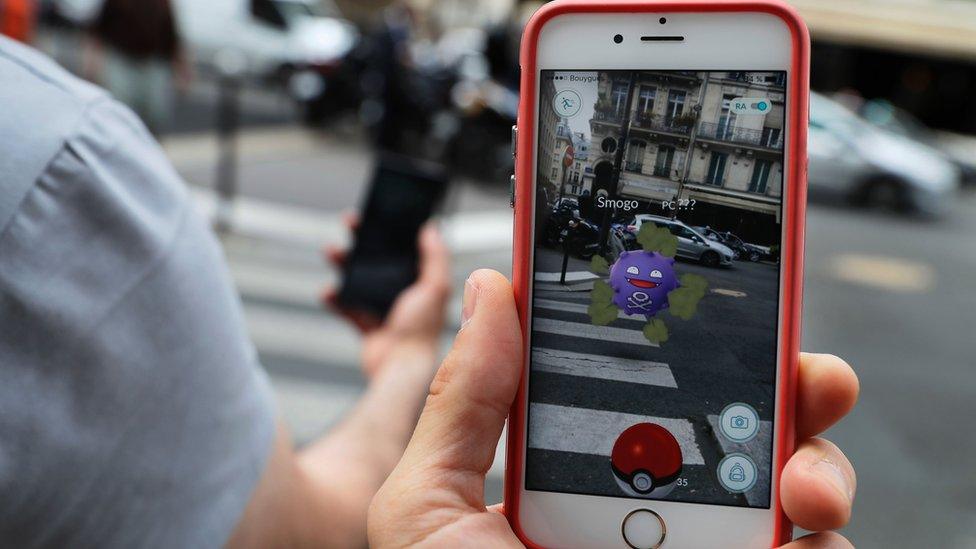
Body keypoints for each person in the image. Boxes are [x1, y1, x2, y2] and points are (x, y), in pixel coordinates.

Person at [0, 37, 859, 548]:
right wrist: (410, 363)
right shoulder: (55, 164)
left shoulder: (47, 159)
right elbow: (284, 530)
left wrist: (410, 360)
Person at [84, 0, 190, 134]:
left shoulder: (163, 3)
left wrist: (183, 69)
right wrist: (91, 64)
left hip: (153, 62)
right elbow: (98, 30)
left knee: (155, 115)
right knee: (121, 113)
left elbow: (172, 36)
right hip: (123, 60)